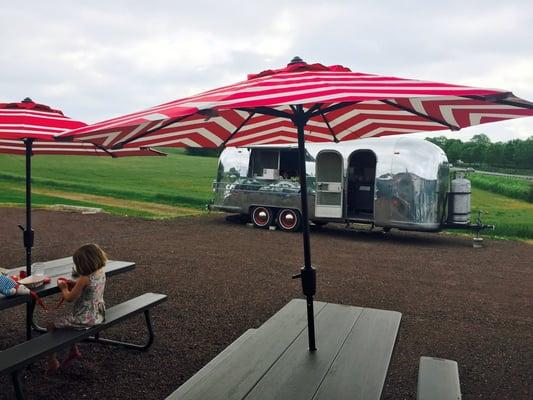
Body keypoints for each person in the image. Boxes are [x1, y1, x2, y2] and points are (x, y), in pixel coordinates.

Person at [47, 243, 107, 373]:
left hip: (84, 318)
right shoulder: (100, 272)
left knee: (51, 325)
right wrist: (76, 285)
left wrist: (63, 288)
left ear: (83, 264)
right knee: (68, 323)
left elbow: (69, 298)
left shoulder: (84, 278)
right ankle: (74, 351)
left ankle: (53, 361)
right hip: (98, 314)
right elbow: (90, 287)